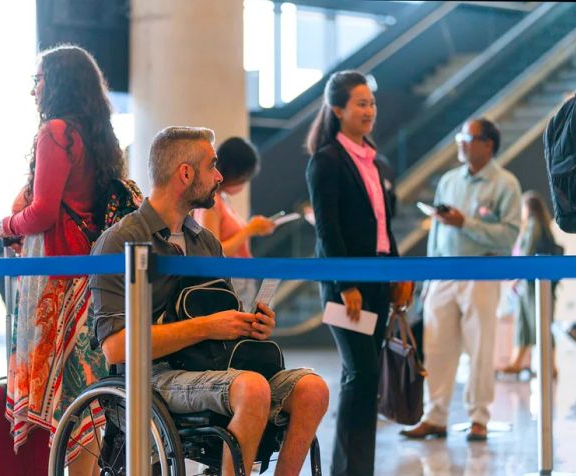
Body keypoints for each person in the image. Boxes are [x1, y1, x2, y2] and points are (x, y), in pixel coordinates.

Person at [90, 126, 329, 476]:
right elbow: (115, 348)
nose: (219, 175)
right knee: (252, 387)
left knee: (313, 389)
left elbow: (217, 318)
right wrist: (208, 326)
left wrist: (249, 324)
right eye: (212, 166)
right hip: (154, 375)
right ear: (185, 173)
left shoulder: (206, 242)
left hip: (212, 363)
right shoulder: (119, 241)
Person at [0, 45, 126, 475]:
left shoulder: (55, 132)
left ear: (58, 81)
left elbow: (44, 212)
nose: (34, 89)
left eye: (39, 78)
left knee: (66, 395)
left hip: (55, 275)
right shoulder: (97, 133)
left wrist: (7, 225)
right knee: (84, 390)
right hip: (89, 274)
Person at [305, 70, 407, 476]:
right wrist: (345, 283)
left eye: (372, 104)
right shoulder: (326, 161)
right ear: (338, 110)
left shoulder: (376, 160)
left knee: (366, 377)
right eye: (360, 104)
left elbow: (384, 225)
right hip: (344, 286)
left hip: (378, 280)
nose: (369, 111)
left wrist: (399, 273)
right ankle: (350, 470)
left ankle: (355, 468)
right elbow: (327, 228)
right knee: (360, 374)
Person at [401, 117, 521, 442]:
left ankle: (479, 417)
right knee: (437, 347)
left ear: (488, 144)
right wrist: (427, 282)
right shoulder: (449, 180)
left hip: (481, 273)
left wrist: (465, 223)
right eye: (460, 137)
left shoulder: (505, 184)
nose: (461, 143)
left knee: (480, 348)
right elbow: (438, 232)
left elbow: (509, 234)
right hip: (442, 273)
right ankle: (434, 416)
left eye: (467, 137)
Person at [193, 136, 276, 308]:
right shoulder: (211, 202)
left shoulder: (222, 200)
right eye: (244, 178)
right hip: (228, 283)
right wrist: (248, 230)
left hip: (239, 280)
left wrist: (252, 228)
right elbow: (213, 252)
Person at [502, 191, 560, 376]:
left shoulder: (533, 226)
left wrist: (517, 278)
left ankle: (548, 365)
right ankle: (519, 362)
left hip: (532, 284)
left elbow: (527, 253)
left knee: (538, 322)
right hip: (529, 284)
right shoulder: (537, 225)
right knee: (527, 323)